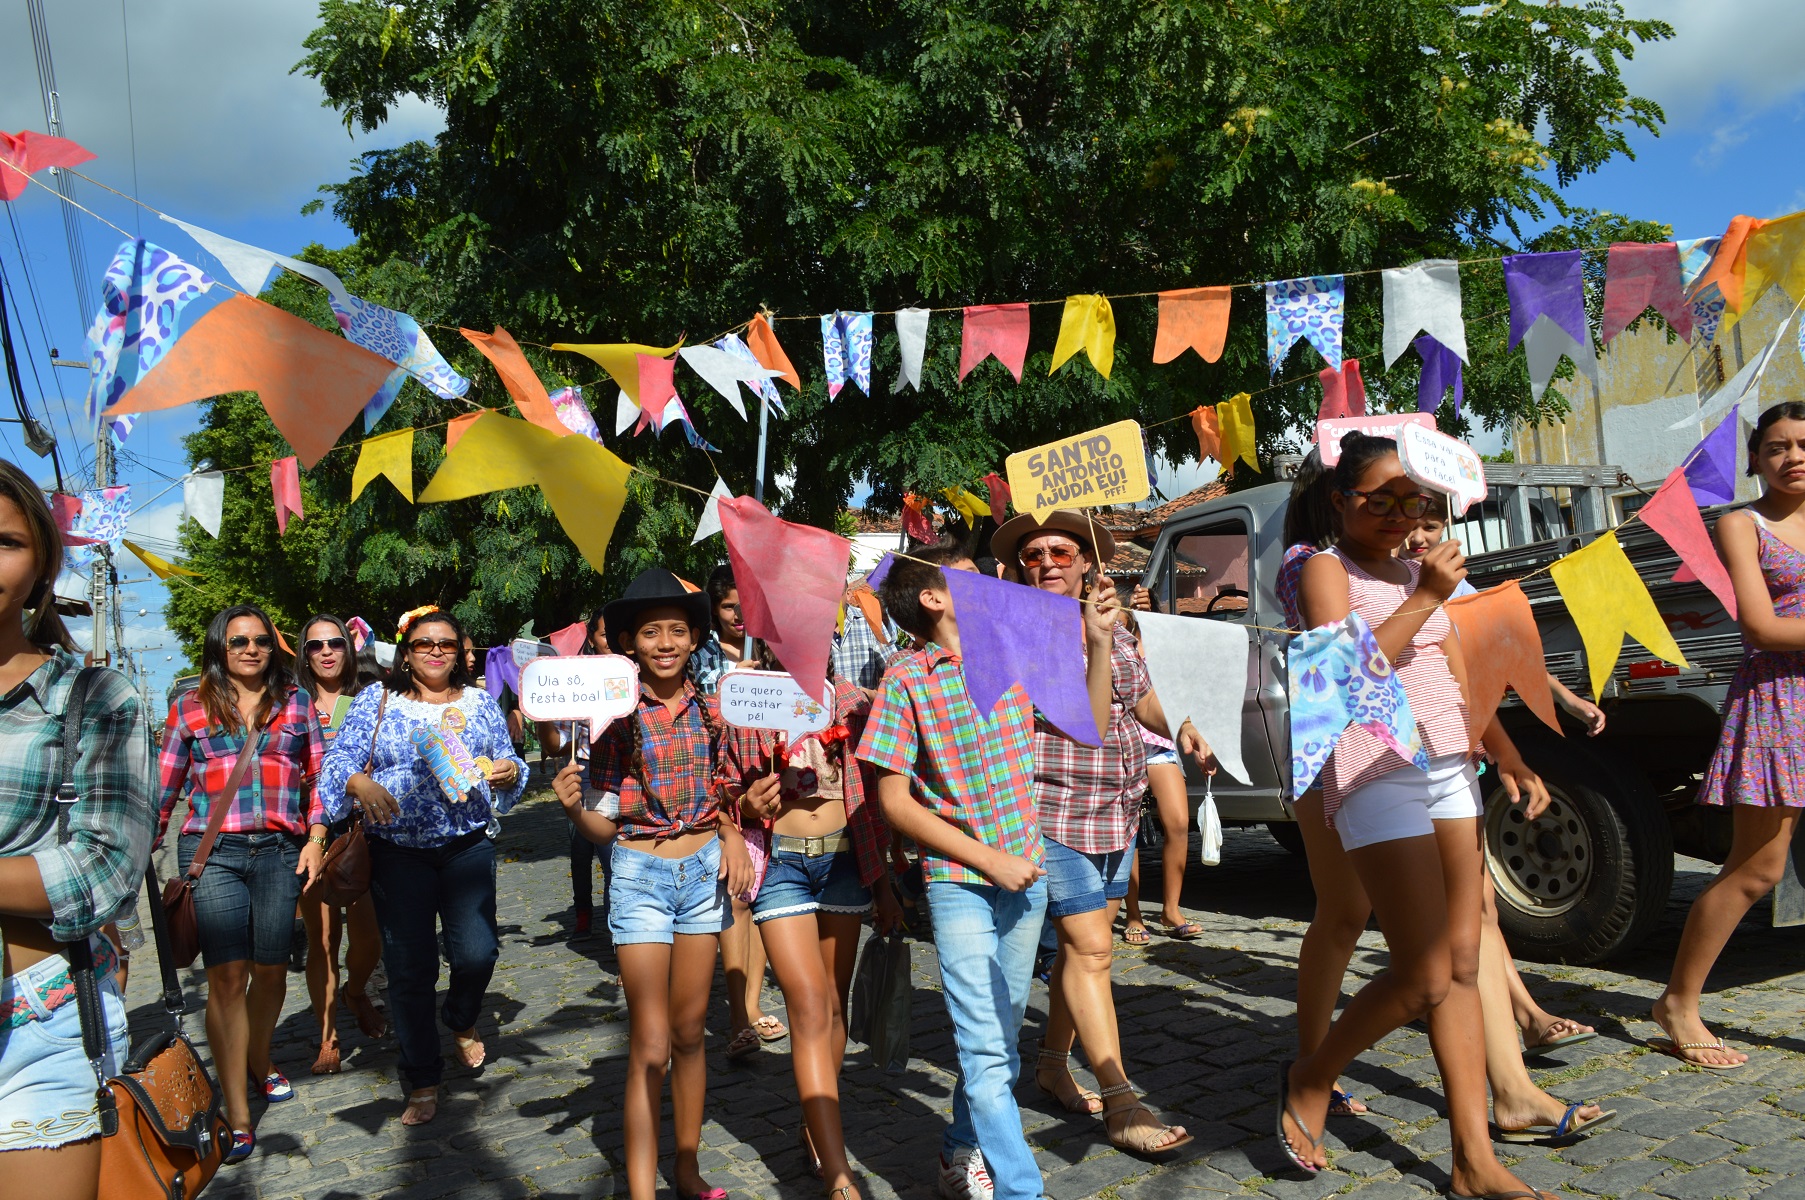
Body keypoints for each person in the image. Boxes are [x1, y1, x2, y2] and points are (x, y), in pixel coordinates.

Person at [1279, 433, 1556, 1196]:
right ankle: (1313, 1073)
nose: (1400, 514)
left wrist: (1503, 755)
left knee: (1463, 967)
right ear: (1340, 500)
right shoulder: (1324, 569)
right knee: (1424, 973)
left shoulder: (1413, 569)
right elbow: (1343, 676)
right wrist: (1427, 597)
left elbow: (1456, 676)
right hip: (1376, 765)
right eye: (1381, 499)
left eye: (1414, 501)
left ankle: (1472, 1161)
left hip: (1447, 768)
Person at [858, 542, 1116, 1200]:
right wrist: (987, 860)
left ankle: (957, 1147)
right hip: (959, 883)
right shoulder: (906, 678)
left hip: (1025, 880)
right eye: (974, 578)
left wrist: (1097, 642)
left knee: (998, 1037)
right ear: (933, 598)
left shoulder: (1013, 652)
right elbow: (893, 802)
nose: (997, 586)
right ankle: (1020, 1189)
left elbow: (1087, 726)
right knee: (984, 1048)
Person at [991, 510, 1191, 1159]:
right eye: (1033, 555)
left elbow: (1139, 698)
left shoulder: (1110, 623)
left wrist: (1183, 726)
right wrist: (1098, 642)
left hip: (1116, 811)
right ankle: (1121, 1100)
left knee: (1082, 956)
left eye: (1060, 551)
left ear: (1085, 563)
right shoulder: (1020, 631)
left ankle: (1052, 1065)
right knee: (1091, 949)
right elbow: (1086, 721)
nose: (1047, 562)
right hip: (1053, 813)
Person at [552, 568, 752, 1200]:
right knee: (652, 1041)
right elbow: (602, 826)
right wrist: (572, 807)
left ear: (694, 638)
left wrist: (734, 832)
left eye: (676, 630)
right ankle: (641, 1190)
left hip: (702, 878)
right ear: (629, 643)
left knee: (691, 1034)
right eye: (650, 632)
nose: (665, 643)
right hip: (639, 877)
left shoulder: (714, 711)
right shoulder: (612, 719)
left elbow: (722, 796)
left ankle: (686, 1169)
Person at [1401, 494, 1606, 1060]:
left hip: (1460, 754)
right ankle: (1476, 1009)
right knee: (1445, 909)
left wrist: (1565, 699)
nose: (1419, 538)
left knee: (1481, 906)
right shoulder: (1391, 590)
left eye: (1431, 525)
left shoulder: (1458, 588)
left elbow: (1503, 653)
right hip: (1404, 763)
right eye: (1410, 527)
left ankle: (1522, 1016)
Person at [0, 459, 154, 1199]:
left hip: (35, 1025)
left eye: (4, 542)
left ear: (41, 564)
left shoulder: (91, 696)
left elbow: (105, 871)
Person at [317, 607, 527, 1126]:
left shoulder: (481, 704)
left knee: (477, 952)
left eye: (446, 644)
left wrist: (508, 771)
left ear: (460, 653)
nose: (436, 651)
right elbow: (336, 762)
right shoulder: (375, 701)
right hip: (396, 851)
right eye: (424, 643)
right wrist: (359, 783)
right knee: (410, 968)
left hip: (466, 846)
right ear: (406, 654)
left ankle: (460, 1017)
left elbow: (512, 760)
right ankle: (422, 1078)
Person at [1652, 401, 1805, 1069]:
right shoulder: (1741, 523)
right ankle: (1677, 1003)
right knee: (1758, 868)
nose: (1792, 456)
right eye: (1776, 447)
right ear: (1754, 461)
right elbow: (1761, 628)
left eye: (1803, 444)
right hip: (1782, 702)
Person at [720, 645, 900, 1200]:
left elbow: (878, 787)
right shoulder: (748, 698)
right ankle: (838, 1171)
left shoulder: (852, 702)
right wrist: (746, 805)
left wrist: (884, 885)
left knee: (833, 1005)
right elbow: (720, 787)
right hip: (781, 865)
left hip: (845, 860)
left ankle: (816, 1123)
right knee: (808, 1005)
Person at [157, 603, 330, 1162]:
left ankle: (258, 1057)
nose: (251, 649)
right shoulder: (189, 707)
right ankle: (237, 1109)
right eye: (239, 641)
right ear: (220, 648)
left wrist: (316, 838)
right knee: (228, 978)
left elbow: (319, 777)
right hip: (213, 855)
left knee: (272, 971)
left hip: (281, 852)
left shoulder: (296, 703)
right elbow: (163, 788)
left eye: (260, 640)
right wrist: (139, 848)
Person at [700, 564, 787, 1056]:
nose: (739, 616)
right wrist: (732, 690)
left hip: (777, 794)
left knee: (762, 901)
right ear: (714, 610)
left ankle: (752, 1005)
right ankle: (739, 1015)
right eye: (730, 607)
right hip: (724, 797)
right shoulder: (699, 657)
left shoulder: (776, 650)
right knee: (734, 899)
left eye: (746, 607)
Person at [294, 614, 387, 1075]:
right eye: (316, 645)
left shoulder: (370, 697)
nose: (327, 652)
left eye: (334, 643)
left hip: (360, 831)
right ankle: (327, 1036)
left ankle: (355, 990)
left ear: (348, 649)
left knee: (369, 937)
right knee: (324, 939)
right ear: (304, 654)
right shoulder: (292, 704)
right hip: (309, 832)